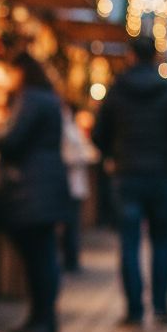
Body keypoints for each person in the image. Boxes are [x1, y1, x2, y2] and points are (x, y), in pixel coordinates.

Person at [92, 36, 167, 325]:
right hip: (162, 176)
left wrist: (113, 154)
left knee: (129, 242)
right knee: (162, 242)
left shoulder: (116, 91)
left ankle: (134, 308)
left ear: (131, 55)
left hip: (127, 175)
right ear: (156, 57)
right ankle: (160, 306)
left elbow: (99, 135)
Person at [0, 52, 69, 332]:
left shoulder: (31, 99)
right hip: (45, 183)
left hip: (32, 186)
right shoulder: (47, 98)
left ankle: (42, 321)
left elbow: (12, 139)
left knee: (38, 257)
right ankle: (42, 319)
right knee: (42, 255)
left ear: (22, 72)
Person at [60, 102, 97, 272]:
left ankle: (71, 258)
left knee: (71, 222)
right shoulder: (69, 129)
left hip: (70, 182)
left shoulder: (68, 129)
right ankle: (71, 257)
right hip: (70, 182)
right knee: (70, 222)